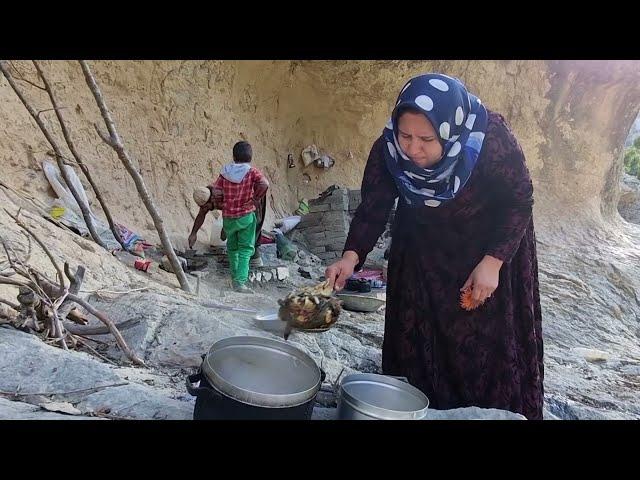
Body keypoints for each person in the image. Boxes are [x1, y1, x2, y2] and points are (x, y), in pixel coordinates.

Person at [324, 73, 543, 419]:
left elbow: (520, 201)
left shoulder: (490, 139)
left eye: (426, 139)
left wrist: (494, 262)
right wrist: (350, 257)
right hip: (421, 255)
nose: (412, 149)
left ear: (450, 129)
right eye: (405, 135)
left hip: (485, 252)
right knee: (417, 351)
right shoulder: (389, 149)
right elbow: (374, 207)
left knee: (484, 351)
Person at [209, 141, 269, 293]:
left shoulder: (225, 172)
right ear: (250, 157)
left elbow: (215, 191)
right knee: (246, 250)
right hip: (246, 216)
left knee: (232, 248)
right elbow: (264, 184)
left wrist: (223, 202)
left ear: (234, 156)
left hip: (229, 217)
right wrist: (256, 199)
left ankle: (234, 278)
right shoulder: (252, 172)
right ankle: (240, 282)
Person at [188, 186, 267, 268]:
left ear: (212, 200)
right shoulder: (207, 197)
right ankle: (238, 258)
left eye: (206, 206)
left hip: (253, 194)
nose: (205, 209)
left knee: (251, 227)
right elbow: (201, 214)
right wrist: (193, 233)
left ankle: (255, 260)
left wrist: (225, 230)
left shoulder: (226, 196)